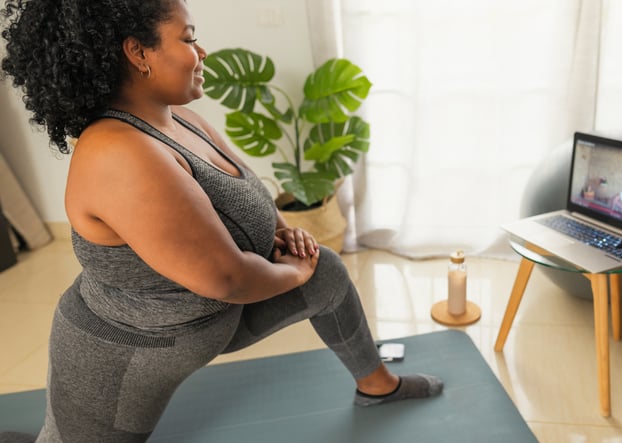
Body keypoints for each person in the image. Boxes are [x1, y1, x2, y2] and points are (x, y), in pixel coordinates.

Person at [0, 0, 442, 441]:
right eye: (189, 38)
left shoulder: (181, 120)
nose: (203, 52)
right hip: (127, 354)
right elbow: (228, 280)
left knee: (324, 273)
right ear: (138, 53)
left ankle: (379, 386)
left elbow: (248, 199)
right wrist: (292, 269)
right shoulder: (118, 154)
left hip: (211, 322)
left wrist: (289, 239)